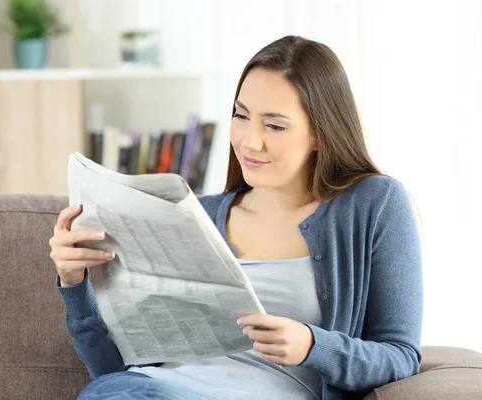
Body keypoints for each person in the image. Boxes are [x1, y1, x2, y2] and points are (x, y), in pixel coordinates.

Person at [49, 35, 423, 400]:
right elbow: (109, 370)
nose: (248, 141)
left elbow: (400, 356)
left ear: (320, 134)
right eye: (241, 116)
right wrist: (74, 284)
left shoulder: (373, 205)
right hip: (144, 389)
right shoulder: (197, 215)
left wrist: (314, 345)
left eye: (274, 125)